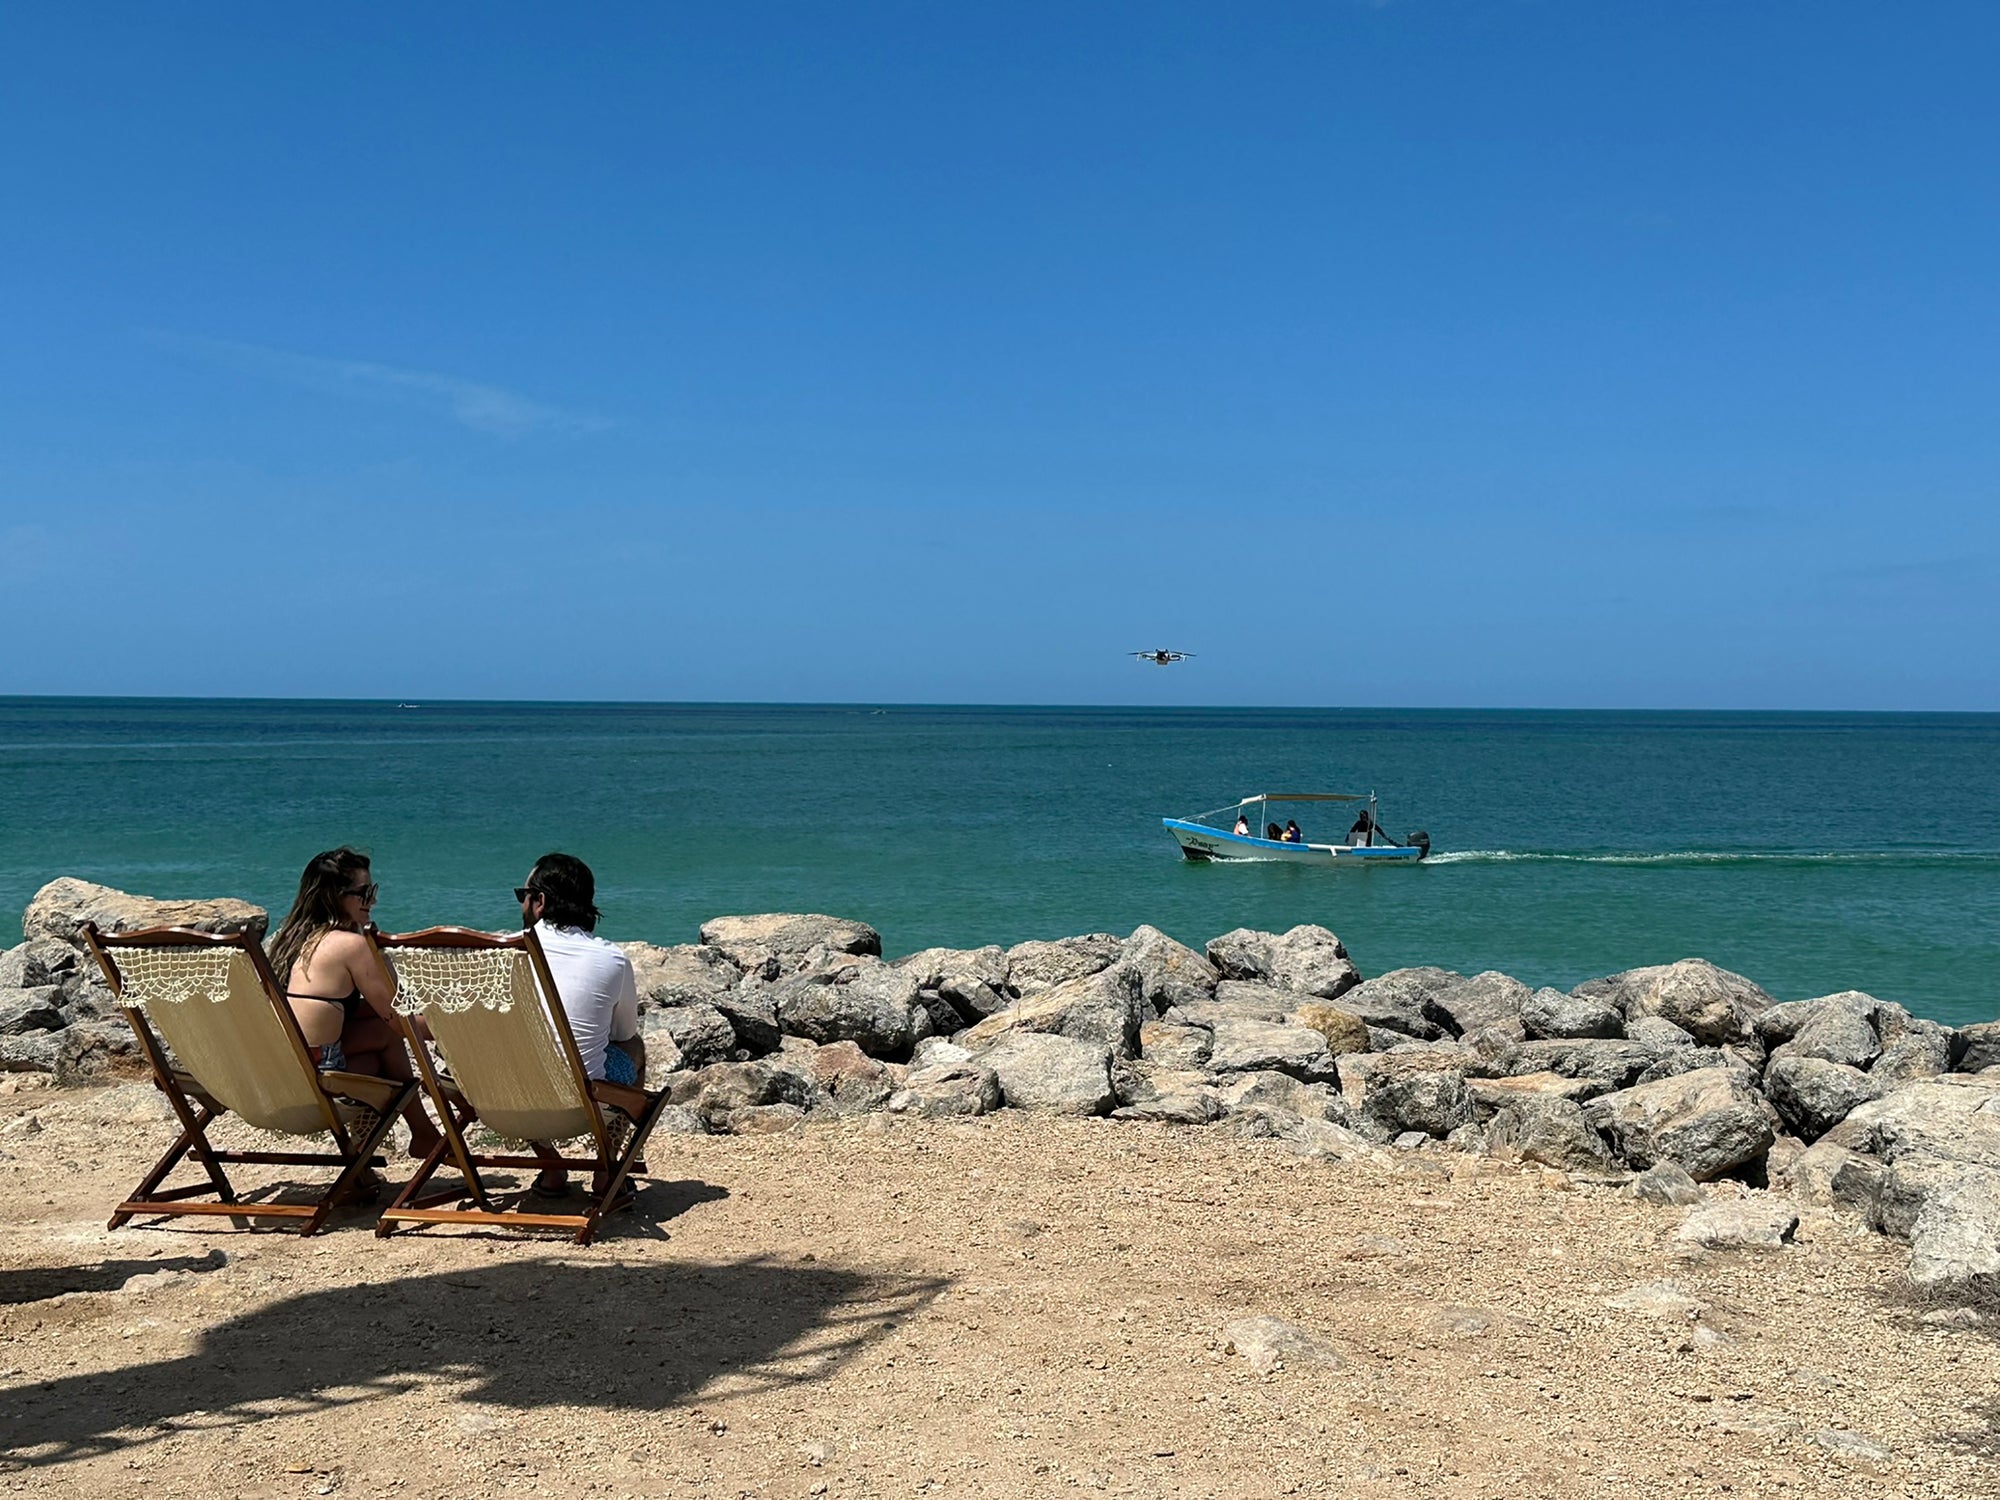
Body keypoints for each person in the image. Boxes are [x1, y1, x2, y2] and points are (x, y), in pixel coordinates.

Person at [267, 847, 443, 1161]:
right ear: (334, 897)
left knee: (378, 1041)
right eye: (363, 893)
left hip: (279, 1069)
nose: (372, 900)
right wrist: (455, 1028)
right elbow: (399, 1021)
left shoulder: (290, 939)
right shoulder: (349, 946)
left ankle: (396, 1146)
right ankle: (420, 1134)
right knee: (385, 1048)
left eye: (372, 891)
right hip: (316, 1078)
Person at [515, 853, 644, 1197]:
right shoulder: (611, 959)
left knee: (514, 1058)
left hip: (507, 1101)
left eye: (522, 895)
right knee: (635, 1048)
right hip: (582, 1101)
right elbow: (624, 1034)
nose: (522, 904)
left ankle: (550, 1168)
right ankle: (606, 1169)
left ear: (540, 902)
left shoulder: (505, 955)